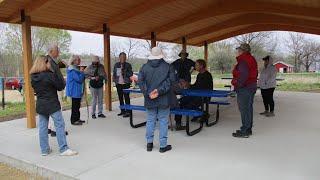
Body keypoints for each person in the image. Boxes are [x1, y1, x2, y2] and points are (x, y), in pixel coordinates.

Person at [30, 56, 78, 156]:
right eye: (48, 62)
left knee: (43, 127)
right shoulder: (49, 75)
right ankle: (64, 149)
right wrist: (56, 72)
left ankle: (44, 150)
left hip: (41, 104)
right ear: (44, 63)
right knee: (60, 125)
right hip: (52, 104)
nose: (50, 64)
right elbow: (61, 86)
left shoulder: (33, 77)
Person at [138, 47, 173, 153]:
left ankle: (149, 144)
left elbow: (140, 81)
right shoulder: (168, 66)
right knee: (163, 121)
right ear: (161, 55)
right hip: (163, 98)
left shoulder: (144, 67)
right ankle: (162, 146)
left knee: (150, 121)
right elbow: (171, 81)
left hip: (149, 99)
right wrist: (158, 91)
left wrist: (148, 93)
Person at [174, 59, 213, 130]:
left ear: (201, 66)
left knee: (188, 105)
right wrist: (188, 85)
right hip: (195, 95)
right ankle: (178, 123)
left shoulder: (207, 75)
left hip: (203, 97)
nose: (195, 67)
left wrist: (189, 85)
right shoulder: (199, 75)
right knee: (180, 102)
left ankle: (203, 114)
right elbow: (196, 86)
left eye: (196, 65)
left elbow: (202, 88)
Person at [231, 43, 258, 138]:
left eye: (239, 50)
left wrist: (236, 84)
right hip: (251, 87)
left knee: (244, 109)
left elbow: (243, 75)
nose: (237, 51)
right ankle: (247, 128)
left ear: (243, 51)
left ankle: (245, 130)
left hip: (245, 88)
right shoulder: (251, 59)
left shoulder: (243, 60)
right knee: (248, 108)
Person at [46, 44, 68, 137]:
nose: (58, 52)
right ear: (51, 51)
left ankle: (50, 128)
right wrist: (62, 83)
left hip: (48, 90)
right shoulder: (51, 62)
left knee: (50, 109)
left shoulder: (45, 60)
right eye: (57, 51)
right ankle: (56, 130)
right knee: (57, 108)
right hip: (54, 89)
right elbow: (55, 77)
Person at [66, 55, 85, 125]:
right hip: (74, 91)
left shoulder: (76, 69)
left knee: (77, 106)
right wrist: (82, 72)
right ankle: (73, 120)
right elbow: (79, 79)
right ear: (73, 61)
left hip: (77, 90)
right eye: (78, 60)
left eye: (79, 59)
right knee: (75, 106)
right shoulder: (72, 70)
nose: (79, 61)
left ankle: (77, 118)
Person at [113, 52, 133, 118]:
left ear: (126, 58)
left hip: (126, 83)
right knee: (120, 97)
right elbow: (115, 74)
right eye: (121, 57)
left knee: (127, 97)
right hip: (119, 84)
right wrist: (115, 81)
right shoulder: (116, 65)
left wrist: (124, 71)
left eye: (124, 57)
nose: (123, 58)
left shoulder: (128, 65)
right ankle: (122, 111)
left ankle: (128, 112)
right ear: (119, 58)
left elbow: (130, 74)